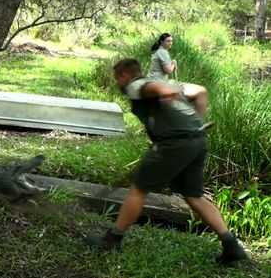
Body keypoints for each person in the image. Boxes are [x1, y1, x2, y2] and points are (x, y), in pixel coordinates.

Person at [85, 58, 247, 265]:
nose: (118, 84)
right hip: (197, 141)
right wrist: (194, 122)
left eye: (118, 79)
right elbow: (200, 91)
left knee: (138, 190)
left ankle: (112, 240)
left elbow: (156, 88)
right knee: (194, 196)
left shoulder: (136, 85)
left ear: (124, 76)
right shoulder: (170, 84)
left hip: (174, 144)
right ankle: (232, 247)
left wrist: (164, 91)